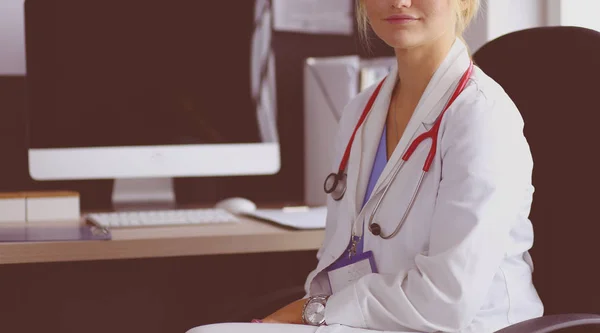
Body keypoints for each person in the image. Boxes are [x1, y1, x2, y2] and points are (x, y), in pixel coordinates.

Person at [187, 0, 544, 332]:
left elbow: (448, 299)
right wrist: (314, 311)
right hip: (376, 321)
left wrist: (316, 311)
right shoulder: (361, 112)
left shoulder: (481, 117)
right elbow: (340, 254)